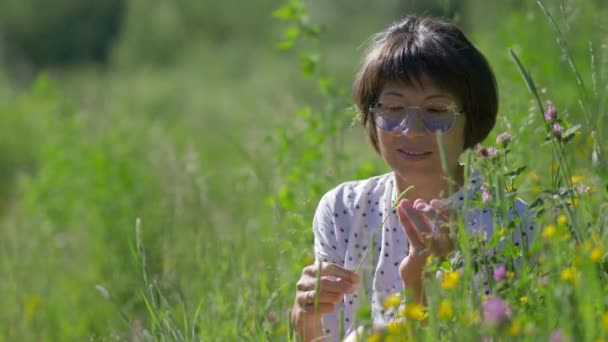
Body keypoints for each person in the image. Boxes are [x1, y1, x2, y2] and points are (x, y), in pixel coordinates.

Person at [290, 15, 534, 341]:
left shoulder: (510, 221)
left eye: (436, 111)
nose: (412, 130)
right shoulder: (343, 209)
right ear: (370, 114)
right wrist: (305, 316)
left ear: (472, 119)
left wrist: (427, 282)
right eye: (393, 108)